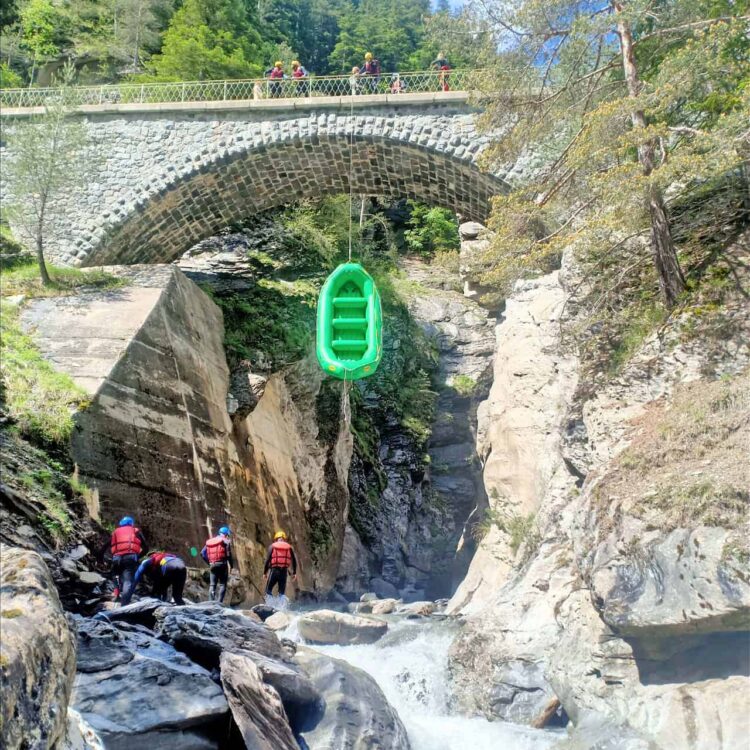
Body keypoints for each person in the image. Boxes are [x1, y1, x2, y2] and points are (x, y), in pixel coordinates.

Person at [100, 516, 146, 606]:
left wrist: (100, 560)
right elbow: (146, 548)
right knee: (127, 580)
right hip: (130, 558)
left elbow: (104, 547)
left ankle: (116, 593)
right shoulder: (136, 531)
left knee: (115, 574)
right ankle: (124, 604)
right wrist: (138, 556)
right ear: (131, 524)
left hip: (117, 558)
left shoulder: (115, 533)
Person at [201, 526, 233, 603]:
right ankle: (219, 603)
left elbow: (202, 553)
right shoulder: (226, 541)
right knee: (222, 584)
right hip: (222, 565)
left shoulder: (210, 541)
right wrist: (231, 566)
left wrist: (209, 562)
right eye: (228, 535)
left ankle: (211, 603)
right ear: (226, 534)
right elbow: (228, 555)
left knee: (212, 585)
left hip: (212, 564)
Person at [264, 530, 297, 597]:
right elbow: (294, 560)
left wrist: (265, 573)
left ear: (276, 539)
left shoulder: (272, 546)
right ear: (284, 539)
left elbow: (267, 560)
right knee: (281, 592)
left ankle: (269, 603)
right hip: (284, 572)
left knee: (268, 590)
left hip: (274, 571)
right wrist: (294, 573)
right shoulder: (289, 547)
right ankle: (281, 606)